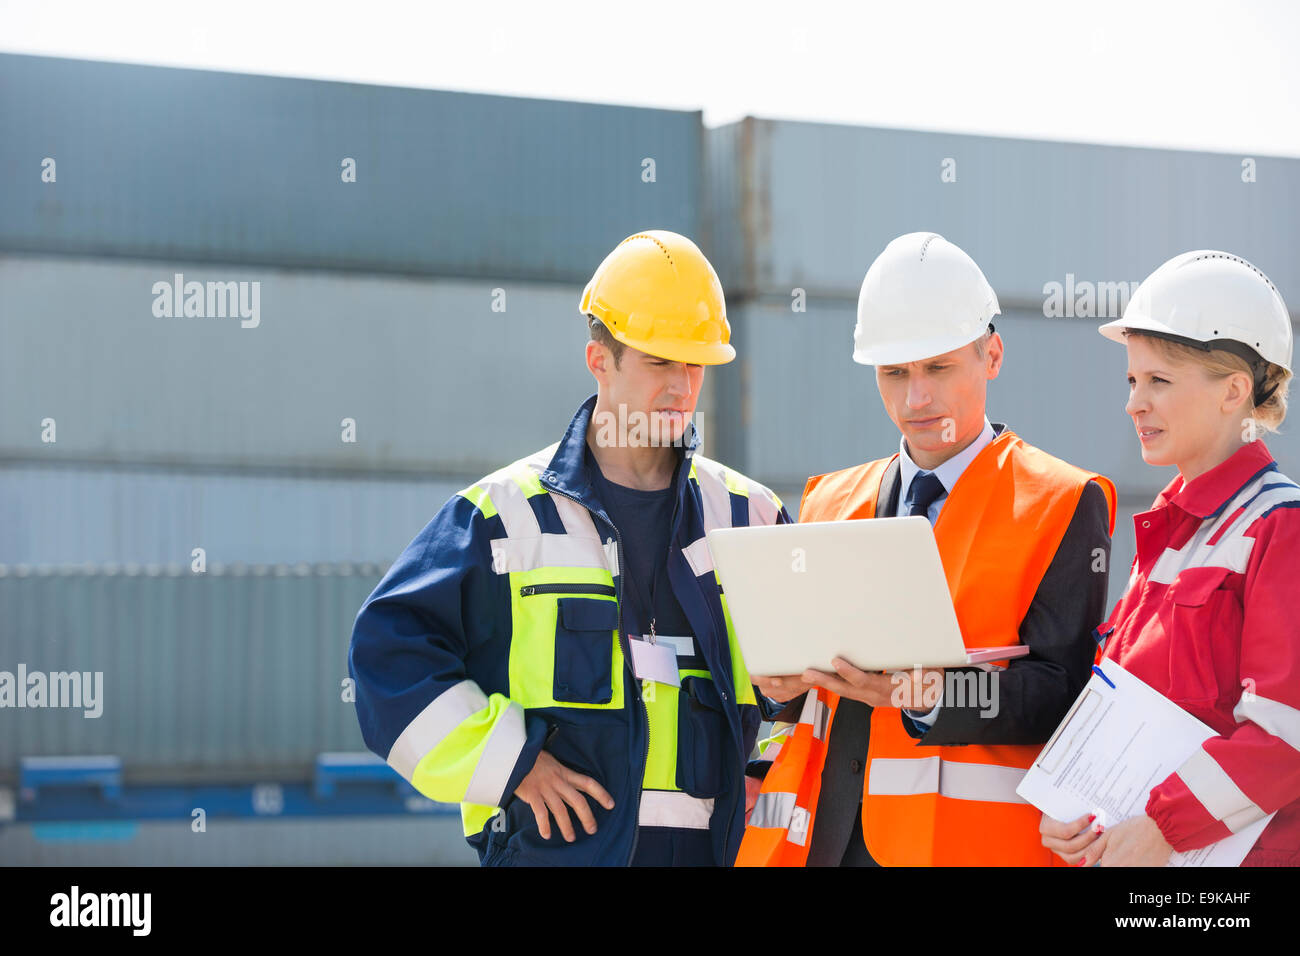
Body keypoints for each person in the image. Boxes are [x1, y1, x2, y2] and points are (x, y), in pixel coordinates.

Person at [348, 230, 791, 866]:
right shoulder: (504, 516)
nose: (681, 387)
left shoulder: (750, 516)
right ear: (599, 360)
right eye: (658, 361)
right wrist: (512, 764)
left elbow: (808, 695)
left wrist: (763, 778)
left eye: (695, 364)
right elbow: (385, 659)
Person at [737, 232, 1116, 866]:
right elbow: (811, 696)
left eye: (938, 368)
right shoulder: (827, 502)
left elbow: (1062, 693)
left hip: (964, 851)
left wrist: (932, 695)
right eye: (895, 373)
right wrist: (777, 688)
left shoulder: (1063, 502)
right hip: (823, 844)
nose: (916, 398)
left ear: (991, 355)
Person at [1041, 250, 1300, 867]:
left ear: (1234, 392)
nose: (1135, 403)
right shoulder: (1170, 529)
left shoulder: (1280, 525)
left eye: (1159, 381)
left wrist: (1164, 828)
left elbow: (1287, 734)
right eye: (1132, 381)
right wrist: (1070, 805)